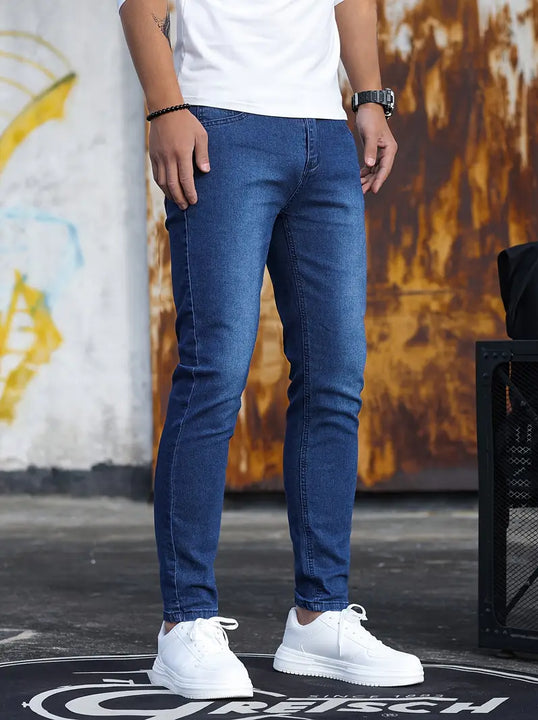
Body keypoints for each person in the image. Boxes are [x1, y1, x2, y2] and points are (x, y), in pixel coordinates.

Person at [118, 0, 424, 699]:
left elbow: (350, 2)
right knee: (214, 372)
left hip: (324, 135)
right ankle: (184, 623)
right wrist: (166, 109)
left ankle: (319, 617)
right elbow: (141, 9)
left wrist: (370, 99)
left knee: (334, 378)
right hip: (219, 127)